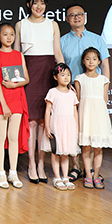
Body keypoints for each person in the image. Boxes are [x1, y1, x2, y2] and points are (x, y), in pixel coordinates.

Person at [14, 0, 64, 184]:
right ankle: (31, 164)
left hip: (48, 73)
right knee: (31, 122)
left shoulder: (53, 24)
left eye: (42, 3)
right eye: (35, 2)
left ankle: (42, 163)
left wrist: (63, 76)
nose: (39, 6)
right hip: (29, 73)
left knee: (45, 122)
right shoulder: (21, 24)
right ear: (28, 5)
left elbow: (57, 52)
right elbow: (17, 53)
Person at [61, 3, 110, 182]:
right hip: (71, 90)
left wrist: (105, 90)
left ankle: (91, 171)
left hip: (94, 92)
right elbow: (60, 67)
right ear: (67, 19)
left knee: (92, 128)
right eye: (72, 15)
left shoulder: (97, 39)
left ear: (85, 16)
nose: (76, 17)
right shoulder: (62, 41)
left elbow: (105, 65)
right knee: (76, 129)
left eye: (79, 14)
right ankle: (76, 167)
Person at [0, 22, 30, 189]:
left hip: (17, 97)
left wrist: (14, 85)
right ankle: (1, 172)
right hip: (2, 99)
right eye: (5, 34)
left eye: (12, 34)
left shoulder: (19, 55)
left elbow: (26, 79)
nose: (9, 37)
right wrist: (4, 105)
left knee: (14, 136)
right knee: (1, 137)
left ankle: (13, 172)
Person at [75, 47, 112, 190]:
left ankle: (96, 175)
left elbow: (105, 99)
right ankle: (88, 175)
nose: (91, 62)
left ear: (98, 61)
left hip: (99, 116)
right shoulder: (79, 78)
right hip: (85, 115)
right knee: (86, 147)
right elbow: (78, 99)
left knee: (98, 148)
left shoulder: (104, 80)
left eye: (94, 59)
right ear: (83, 61)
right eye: (88, 59)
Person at [44, 63, 79, 191]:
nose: (66, 77)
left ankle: (65, 177)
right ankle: (57, 177)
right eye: (63, 75)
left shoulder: (72, 94)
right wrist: (47, 126)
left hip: (68, 126)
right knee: (56, 152)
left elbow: (75, 112)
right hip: (56, 124)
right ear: (55, 77)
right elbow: (48, 110)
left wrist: (77, 128)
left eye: (68, 75)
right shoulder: (52, 92)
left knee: (65, 152)